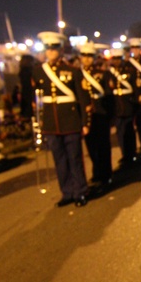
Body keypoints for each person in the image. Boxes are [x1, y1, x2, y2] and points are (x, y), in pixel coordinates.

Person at [32, 32, 89, 207]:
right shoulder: (39, 72)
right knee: (59, 160)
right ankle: (67, 192)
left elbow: (83, 98)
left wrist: (85, 122)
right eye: (48, 48)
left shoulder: (72, 71)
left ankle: (80, 191)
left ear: (60, 50)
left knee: (74, 158)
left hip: (70, 120)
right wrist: (38, 121)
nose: (50, 52)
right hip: (51, 122)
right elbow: (36, 100)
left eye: (54, 48)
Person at [78, 42, 114, 192]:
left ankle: (106, 173)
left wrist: (109, 115)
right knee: (91, 146)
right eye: (84, 56)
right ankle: (96, 172)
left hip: (100, 113)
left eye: (89, 56)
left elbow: (108, 95)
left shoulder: (102, 74)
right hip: (87, 116)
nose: (87, 59)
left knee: (103, 145)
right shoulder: (77, 75)